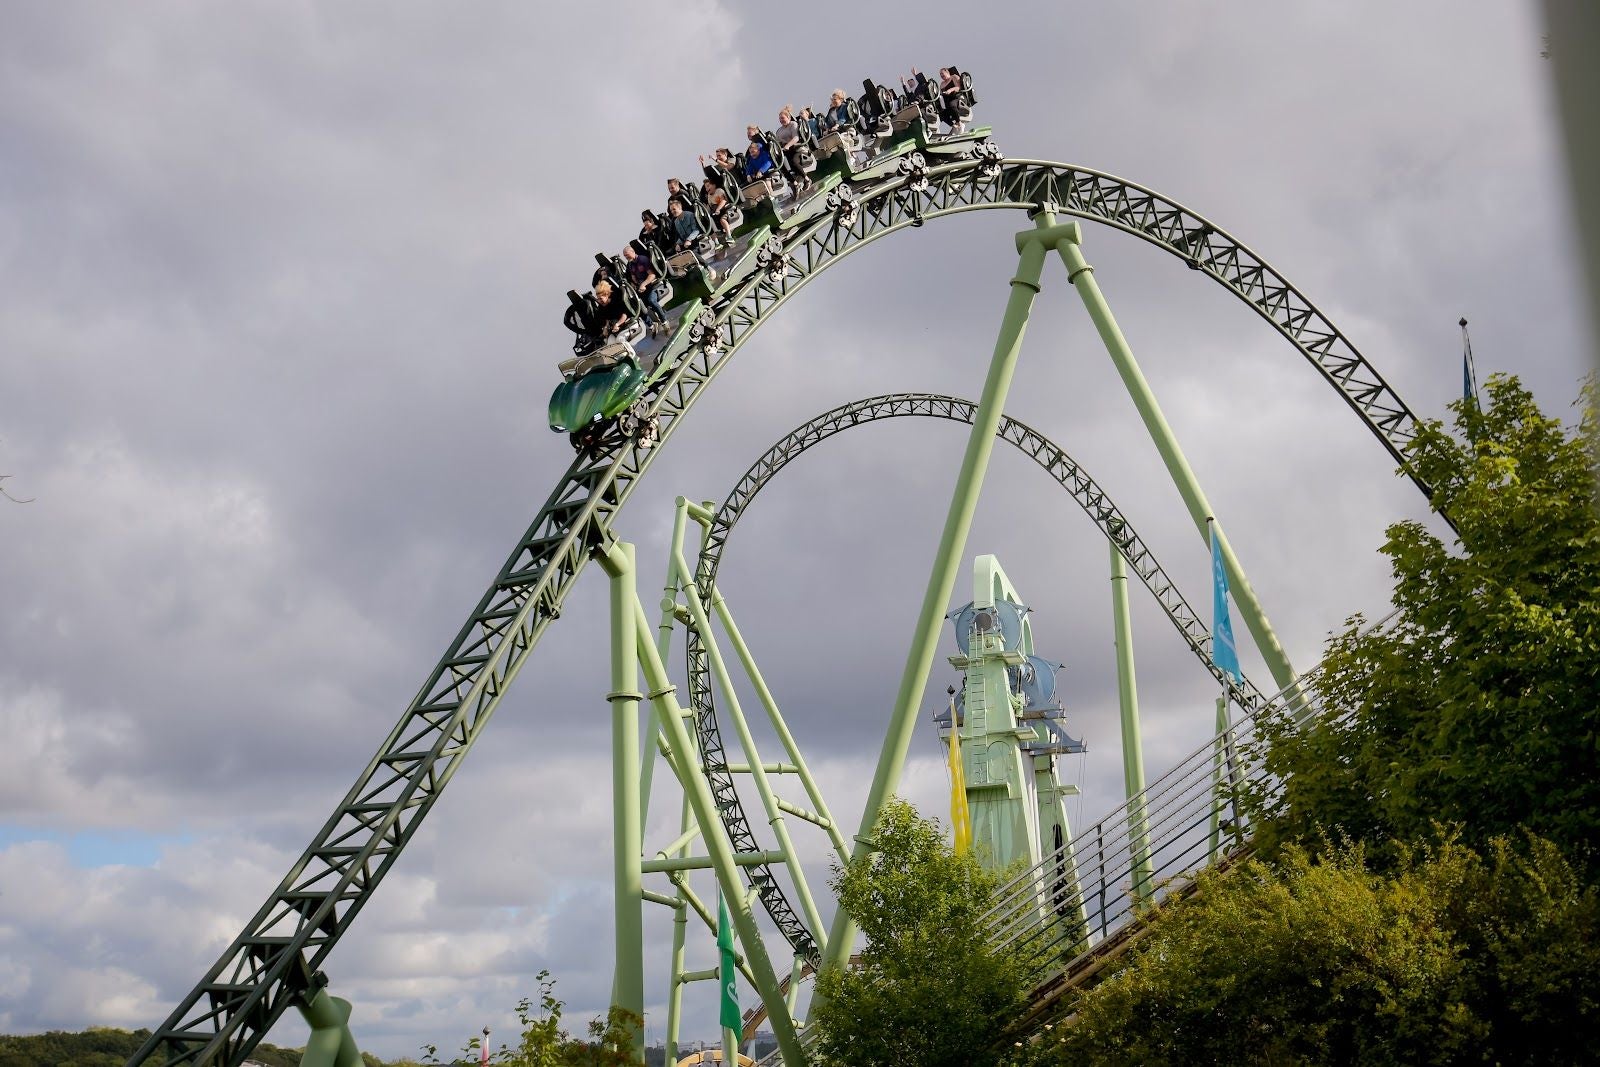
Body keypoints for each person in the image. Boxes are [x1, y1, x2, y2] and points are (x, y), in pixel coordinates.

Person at [622, 245, 666, 335]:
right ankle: (651, 325)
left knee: (651, 301)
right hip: (641, 289)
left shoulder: (643, 259)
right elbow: (633, 278)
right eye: (625, 256)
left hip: (651, 285)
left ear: (633, 252)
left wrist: (643, 284)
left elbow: (652, 275)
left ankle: (664, 321)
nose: (626, 257)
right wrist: (634, 285)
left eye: (627, 255)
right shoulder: (630, 264)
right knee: (638, 307)